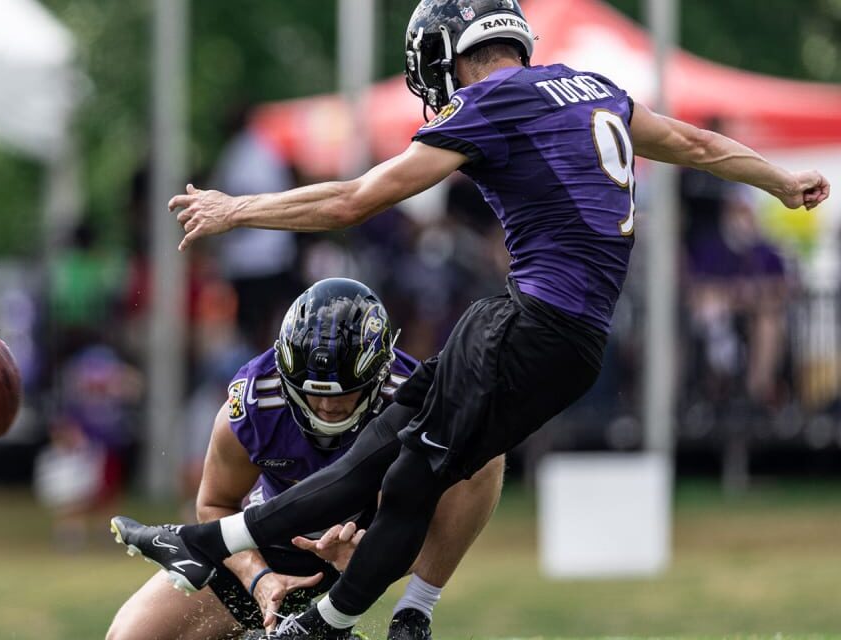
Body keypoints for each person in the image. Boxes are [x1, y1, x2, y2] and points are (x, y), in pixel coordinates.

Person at [110, 1, 830, 638]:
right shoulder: (594, 88)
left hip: (525, 322)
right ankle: (336, 597)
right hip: (571, 340)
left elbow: (353, 201)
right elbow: (700, 147)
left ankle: (274, 591)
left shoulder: (491, 102)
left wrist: (238, 209)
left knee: (399, 469)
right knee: (401, 461)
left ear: (446, 49)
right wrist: (781, 179)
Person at [108, 278, 503, 640]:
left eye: (343, 392)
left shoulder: (413, 398)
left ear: (379, 374)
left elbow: (417, 526)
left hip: (376, 529)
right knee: (129, 636)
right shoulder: (253, 404)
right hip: (278, 535)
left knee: (483, 449)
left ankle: (413, 613)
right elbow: (213, 503)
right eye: (314, 392)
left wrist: (369, 563)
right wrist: (257, 575)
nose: (328, 405)